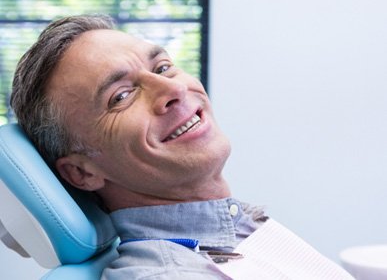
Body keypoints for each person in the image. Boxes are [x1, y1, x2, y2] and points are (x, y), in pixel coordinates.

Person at [10, 15, 354, 279]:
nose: (172, 90)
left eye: (162, 67)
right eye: (121, 96)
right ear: (82, 172)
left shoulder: (230, 230)